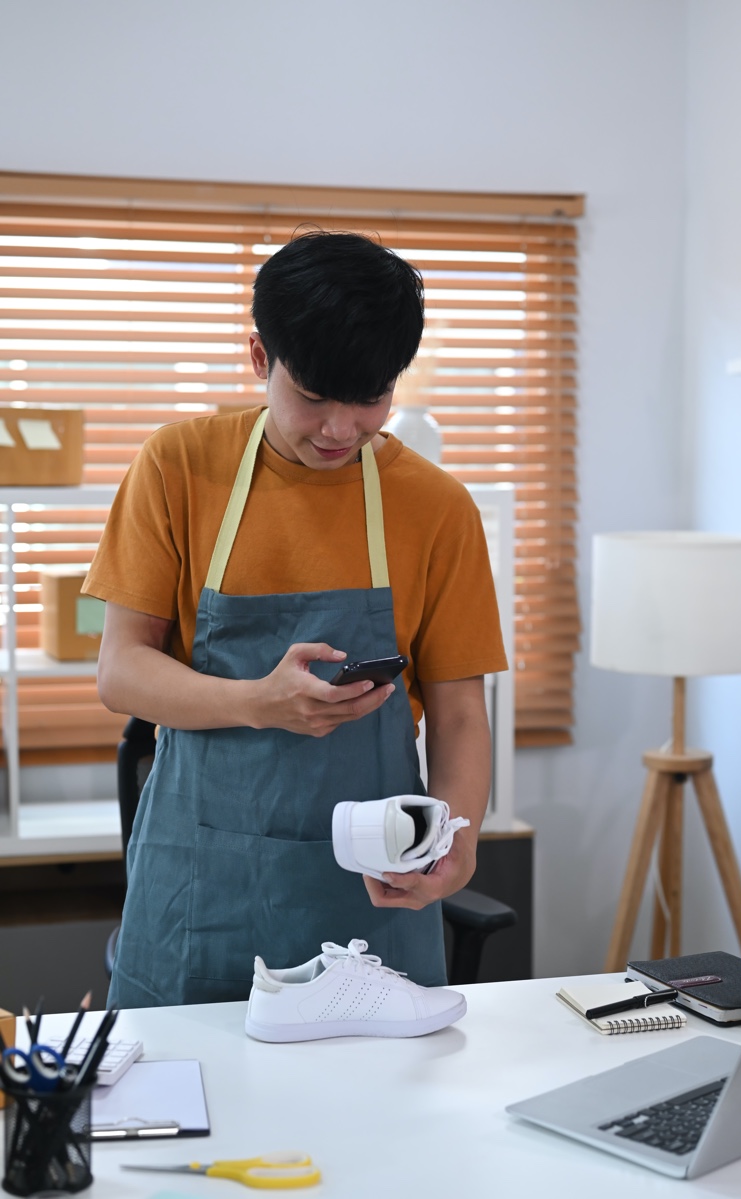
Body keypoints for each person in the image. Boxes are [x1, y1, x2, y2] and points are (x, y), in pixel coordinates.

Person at [84, 230, 508, 1008]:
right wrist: (257, 701)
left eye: (371, 398)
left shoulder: (436, 508)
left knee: (375, 1122)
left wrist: (459, 839)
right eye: (312, 395)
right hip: (198, 889)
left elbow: (455, 713)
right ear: (259, 357)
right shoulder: (178, 467)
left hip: (370, 891)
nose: (340, 429)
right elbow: (121, 672)